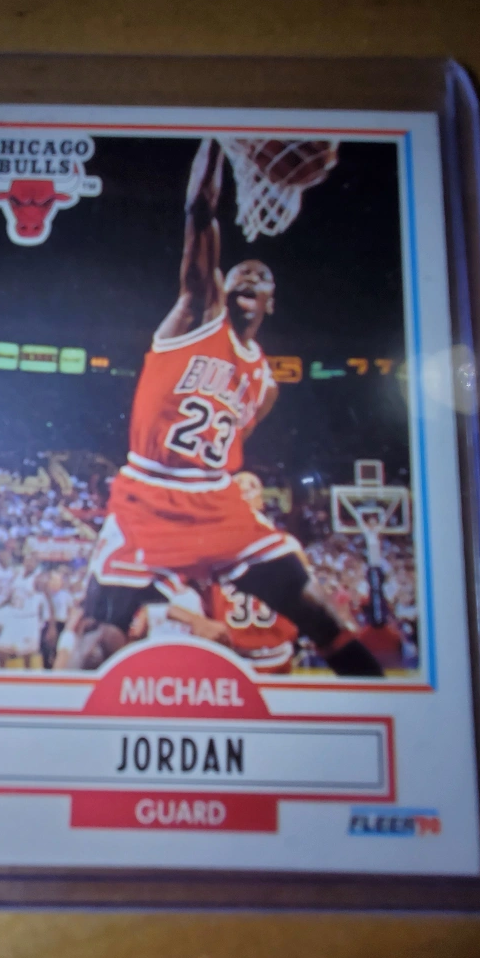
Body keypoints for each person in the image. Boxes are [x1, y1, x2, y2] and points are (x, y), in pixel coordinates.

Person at [83, 138, 382, 676]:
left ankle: (380, 710)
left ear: (271, 301)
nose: (246, 283)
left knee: (319, 613)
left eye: (258, 282)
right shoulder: (195, 317)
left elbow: (234, 441)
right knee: (100, 634)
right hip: (150, 489)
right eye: (238, 277)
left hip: (215, 502)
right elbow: (199, 211)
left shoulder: (265, 383)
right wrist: (217, 136)